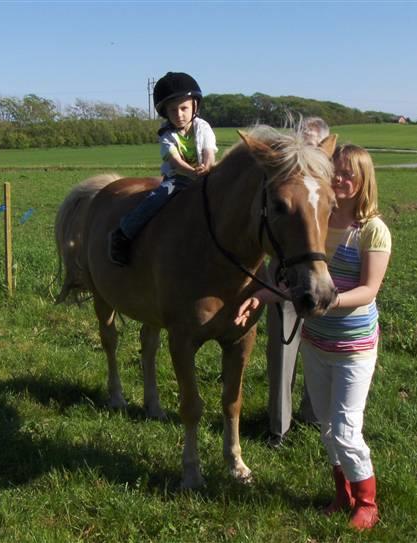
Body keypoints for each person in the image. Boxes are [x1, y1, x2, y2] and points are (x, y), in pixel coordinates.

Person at [235, 144, 391, 531]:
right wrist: (259, 295)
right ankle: (342, 495)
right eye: (334, 172)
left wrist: (329, 300)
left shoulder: (372, 230)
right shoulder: (320, 221)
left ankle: (367, 503)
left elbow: (369, 290)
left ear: (363, 179)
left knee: (344, 428)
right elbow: (297, 285)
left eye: (348, 174)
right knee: (325, 426)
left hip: (354, 347)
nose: (340, 179)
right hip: (316, 343)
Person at [266, 116, 330, 448]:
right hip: (287, 274)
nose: (306, 150)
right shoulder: (287, 178)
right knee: (282, 348)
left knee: (319, 349)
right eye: (301, 142)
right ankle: (279, 426)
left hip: (322, 277)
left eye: (312, 144)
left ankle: (313, 412)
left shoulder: (328, 183)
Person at [108, 72, 217, 266]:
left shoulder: (203, 127)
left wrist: (207, 167)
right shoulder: (166, 135)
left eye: (184, 108)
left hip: (206, 174)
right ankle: (123, 233)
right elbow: (175, 161)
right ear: (166, 113)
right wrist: (193, 173)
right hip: (179, 178)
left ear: (195, 106)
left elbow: (209, 150)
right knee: (157, 198)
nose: (179, 114)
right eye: (173, 110)